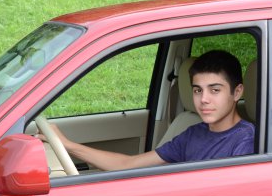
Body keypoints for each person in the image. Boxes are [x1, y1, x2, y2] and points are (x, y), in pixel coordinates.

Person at [38, 50, 255, 171]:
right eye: (198, 90)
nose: (203, 99)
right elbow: (128, 164)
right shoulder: (193, 133)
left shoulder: (246, 140)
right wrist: (68, 145)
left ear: (237, 93)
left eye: (215, 90)